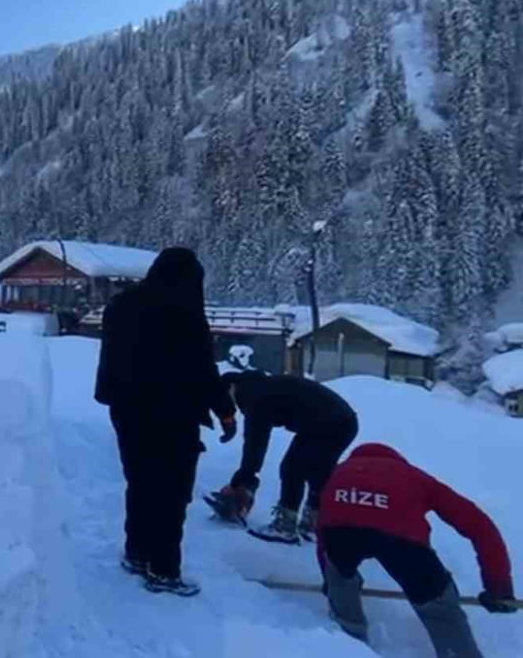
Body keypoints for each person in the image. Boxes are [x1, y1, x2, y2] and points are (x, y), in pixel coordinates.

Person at [95, 247, 236, 596]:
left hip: (127, 411)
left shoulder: (121, 305)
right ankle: (163, 569)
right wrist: (225, 410)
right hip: (172, 414)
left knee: (141, 482)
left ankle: (137, 553)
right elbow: (202, 368)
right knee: (171, 493)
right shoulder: (183, 311)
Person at [318, 443, 516, 657]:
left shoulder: (337, 472)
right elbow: (481, 527)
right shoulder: (415, 477)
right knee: (438, 606)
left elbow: (322, 535)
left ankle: (346, 645)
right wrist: (499, 588)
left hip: (338, 533)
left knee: (340, 578)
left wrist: (331, 582)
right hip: (402, 542)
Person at [209, 371, 359, 544]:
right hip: (345, 422)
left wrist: (239, 482)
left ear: (231, 387)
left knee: (292, 469)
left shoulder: (254, 395)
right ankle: (313, 525)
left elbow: (255, 445)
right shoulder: (264, 385)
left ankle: (285, 526)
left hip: (326, 423)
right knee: (318, 471)